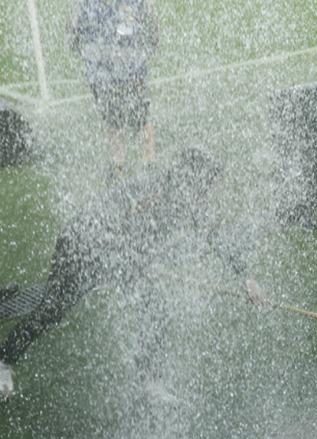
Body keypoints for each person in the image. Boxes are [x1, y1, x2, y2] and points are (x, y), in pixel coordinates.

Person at [0, 148, 264, 366]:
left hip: (110, 254)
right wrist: (131, 258)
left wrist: (246, 279)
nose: (208, 194)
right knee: (52, 310)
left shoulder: (187, 199)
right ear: (192, 178)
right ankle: (4, 360)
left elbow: (213, 234)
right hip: (80, 243)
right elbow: (108, 221)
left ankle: (148, 378)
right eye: (207, 185)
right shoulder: (156, 189)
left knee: (154, 307)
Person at [70, 0, 159, 174]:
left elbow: (152, 30)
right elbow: (73, 35)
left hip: (131, 70)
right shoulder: (86, 4)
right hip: (102, 74)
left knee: (139, 118)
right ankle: (119, 165)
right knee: (114, 120)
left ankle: (148, 162)